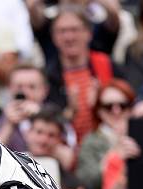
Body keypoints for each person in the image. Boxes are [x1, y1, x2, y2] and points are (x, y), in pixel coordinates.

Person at [46, 5, 117, 145]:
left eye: (74, 29)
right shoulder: (48, 75)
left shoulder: (107, 64)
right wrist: (70, 110)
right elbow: (46, 124)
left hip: (108, 144)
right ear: (54, 37)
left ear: (89, 33)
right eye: (62, 31)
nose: (69, 37)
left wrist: (100, 103)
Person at [76, 78, 136, 189]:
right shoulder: (91, 141)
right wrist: (113, 157)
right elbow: (88, 183)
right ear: (99, 111)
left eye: (123, 105)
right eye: (109, 107)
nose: (116, 111)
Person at [0, 64, 50, 151]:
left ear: (44, 90)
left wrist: (41, 116)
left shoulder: (55, 116)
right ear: (9, 89)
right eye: (19, 87)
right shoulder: (2, 117)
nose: (25, 92)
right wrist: (9, 124)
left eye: (32, 87)